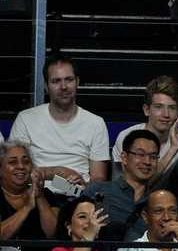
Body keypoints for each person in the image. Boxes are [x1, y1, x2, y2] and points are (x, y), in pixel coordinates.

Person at [9, 55, 109, 185]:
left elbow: (98, 180)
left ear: (77, 82)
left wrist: (84, 186)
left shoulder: (96, 123)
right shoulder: (25, 119)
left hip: (78, 197)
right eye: (56, 81)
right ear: (46, 86)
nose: (63, 87)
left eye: (69, 79)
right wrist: (58, 172)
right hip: (34, 193)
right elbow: (14, 171)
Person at [112, 76, 178, 176]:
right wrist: (173, 149)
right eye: (159, 107)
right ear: (146, 110)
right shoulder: (127, 137)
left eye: (172, 108)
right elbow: (125, 187)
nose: (166, 114)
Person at [84, 130, 160, 241]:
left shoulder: (157, 201)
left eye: (153, 157)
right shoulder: (97, 190)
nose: (147, 162)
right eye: (140, 154)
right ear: (124, 158)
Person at [42, 195, 131, 251]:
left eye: (93, 217)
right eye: (82, 217)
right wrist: (89, 235)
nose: (90, 222)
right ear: (68, 225)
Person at [0, 140, 59, 251]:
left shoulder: (46, 196)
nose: (21, 166)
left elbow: (53, 232)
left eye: (26, 162)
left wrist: (39, 195)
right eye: (12, 162)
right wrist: (27, 208)